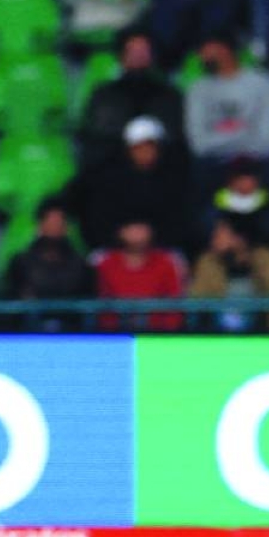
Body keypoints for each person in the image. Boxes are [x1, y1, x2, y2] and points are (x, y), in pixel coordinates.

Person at [68, 116, 189, 252]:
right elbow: (95, 215)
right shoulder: (105, 176)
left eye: (150, 146)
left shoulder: (174, 178)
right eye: (138, 147)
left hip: (160, 251)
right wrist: (121, 234)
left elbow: (180, 220)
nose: (145, 152)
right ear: (128, 149)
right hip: (112, 250)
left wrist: (151, 234)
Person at [185, 33, 269, 194]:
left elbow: (268, 143)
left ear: (224, 49)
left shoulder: (263, 83)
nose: (201, 56)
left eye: (205, 49)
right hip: (214, 165)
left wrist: (223, 136)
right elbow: (199, 145)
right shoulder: (198, 89)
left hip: (257, 163)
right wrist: (243, 131)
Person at [78, 28, 186, 172]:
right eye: (133, 51)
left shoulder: (169, 95)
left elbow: (176, 138)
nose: (139, 56)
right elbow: (96, 137)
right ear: (122, 56)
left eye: (144, 51)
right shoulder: (104, 95)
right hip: (113, 171)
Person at [92, 217, 184, 331]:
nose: (137, 235)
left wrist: (166, 334)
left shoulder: (166, 263)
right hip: (114, 335)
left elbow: (174, 305)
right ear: (120, 232)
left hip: (159, 334)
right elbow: (101, 305)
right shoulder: (105, 264)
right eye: (131, 229)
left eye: (141, 229)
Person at [6, 197, 93, 300]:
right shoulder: (20, 264)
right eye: (51, 222)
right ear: (40, 225)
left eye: (59, 222)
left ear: (66, 227)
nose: (55, 227)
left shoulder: (81, 266)